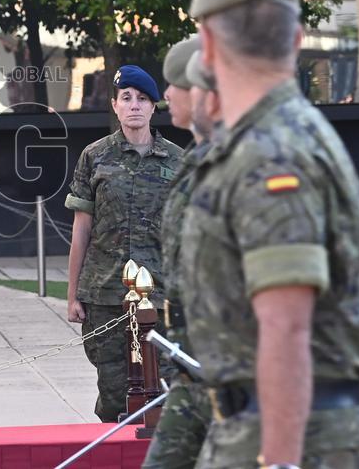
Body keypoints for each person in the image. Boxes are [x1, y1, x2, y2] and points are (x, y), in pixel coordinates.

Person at [182, 0, 359, 467]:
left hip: (295, 440)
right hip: (282, 432)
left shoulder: (271, 150)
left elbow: (286, 324)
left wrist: (279, 462)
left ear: (208, 46)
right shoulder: (281, 135)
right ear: (297, 39)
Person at [65, 64, 183, 422]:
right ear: (115, 106)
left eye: (142, 99)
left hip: (161, 294)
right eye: (126, 98)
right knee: (115, 392)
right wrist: (73, 294)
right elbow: (81, 228)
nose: (134, 105)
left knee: (161, 390)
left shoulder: (178, 161)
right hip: (105, 294)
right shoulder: (95, 156)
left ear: (153, 107)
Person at [143, 41, 215, 468]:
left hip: (227, 377)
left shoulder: (245, 162)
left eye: (176, 84)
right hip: (189, 368)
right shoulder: (196, 162)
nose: (166, 94)